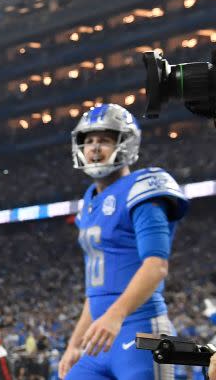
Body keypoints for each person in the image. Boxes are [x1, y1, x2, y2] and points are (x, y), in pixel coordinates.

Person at [58, 104, 188, 379]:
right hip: (99, 336)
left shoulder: (144, 188)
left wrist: (115, 316)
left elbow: (156, 267)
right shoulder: (90, 200)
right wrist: (74, 343)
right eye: (89, 140)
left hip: (141, 331)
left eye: (104, 140)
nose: (94, 148)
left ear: (126, 144)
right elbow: (96, 290)